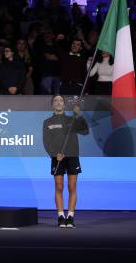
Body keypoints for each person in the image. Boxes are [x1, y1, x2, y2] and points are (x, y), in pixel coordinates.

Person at [43, 95, 89, 229]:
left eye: (61, 100)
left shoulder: (72, 119)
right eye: (55, 101)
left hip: (72, 156)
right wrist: (54, 154)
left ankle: (70, 216)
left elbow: (85, 131)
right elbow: (46, 141)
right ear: (52, 105)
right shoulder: (48, 122)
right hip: (57, 157)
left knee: (72, 187)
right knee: (59, 187)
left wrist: (79, 115)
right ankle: (60, 216)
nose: (58, 102)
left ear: (64, 104)